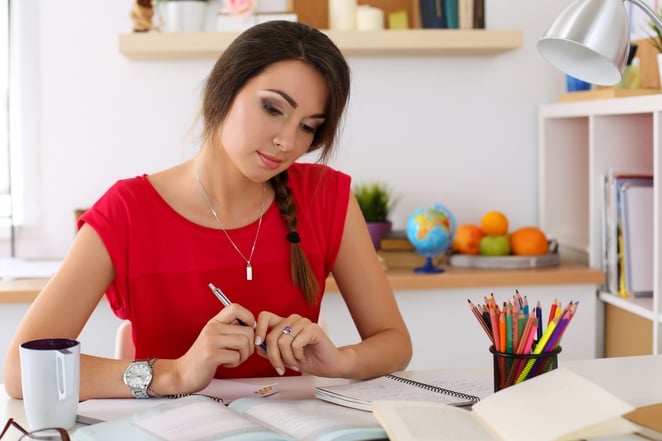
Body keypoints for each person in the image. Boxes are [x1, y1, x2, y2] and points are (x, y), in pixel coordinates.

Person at [4, 20, 412, 401]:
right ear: (224, 90)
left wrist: (340, 361)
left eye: (308, 126)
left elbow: (394, 341)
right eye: (273, 108)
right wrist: (175, 374)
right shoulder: (127, 211)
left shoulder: (326, 197)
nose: (288, 141)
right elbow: (22, 372)